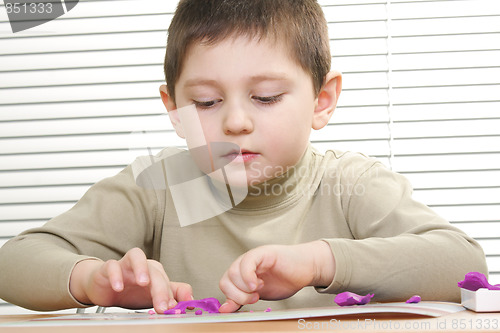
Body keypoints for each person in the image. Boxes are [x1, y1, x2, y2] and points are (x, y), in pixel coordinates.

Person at [0, 0, 487, 314]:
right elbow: (14, 262)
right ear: (174, 109)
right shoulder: (159, 186)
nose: (234, 123)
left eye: (267, 97)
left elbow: (462, 262)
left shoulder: (348, 183)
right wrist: (91, 280)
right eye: (207, 103)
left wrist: (319, 262)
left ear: (322, 101)